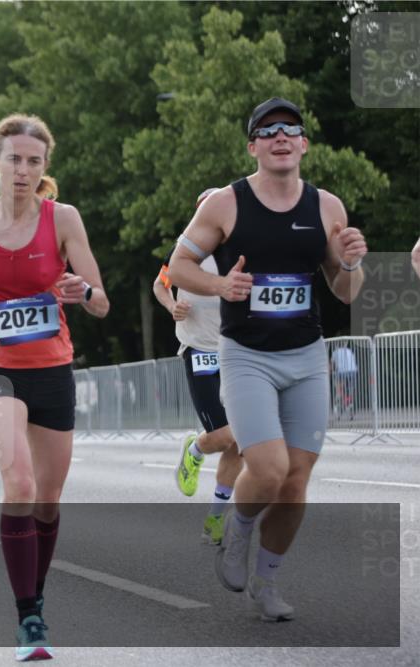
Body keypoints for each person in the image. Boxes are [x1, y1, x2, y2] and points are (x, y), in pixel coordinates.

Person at [168, 97, 368, 621]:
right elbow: (178, 266)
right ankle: (238, 529)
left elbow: (345, 291)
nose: (281, 137)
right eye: (268, 130)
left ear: (303, 143)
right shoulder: (225, 205)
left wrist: (349, 262)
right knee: (270, 467)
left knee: (297, 480)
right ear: (253, 144)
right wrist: (219, 284)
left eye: (291, 129)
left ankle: (268, 584)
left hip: (305, 356)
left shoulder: (327, 207)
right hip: (247, 356)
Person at [0, 114, 109, 660]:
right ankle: (29, 616)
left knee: (48, 502)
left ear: (44, 167)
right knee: (20, 482)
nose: (23, 170)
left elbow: (100, 300)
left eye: (34, 161)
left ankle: (35, 593)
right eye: (14, 159)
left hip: (52, 368)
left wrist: (84, 292)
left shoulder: (64, 219)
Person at [153, 188, 243, 545]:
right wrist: (170, 305)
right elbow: (160, 285)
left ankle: (215, 519)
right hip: (199, 350)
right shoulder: (185, 250)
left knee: (240, 442)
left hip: (235, 350)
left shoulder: (239, 252)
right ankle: (194, 451)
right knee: (224, 436)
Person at [330, 345, 358, 420]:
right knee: (350, 390)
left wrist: (331, 372)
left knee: (339, 390)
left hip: (341, 372)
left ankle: (339, 405)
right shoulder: (349, 351)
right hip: (353, 372)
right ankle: (349, 404)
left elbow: (332, 366)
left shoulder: (335, 352)